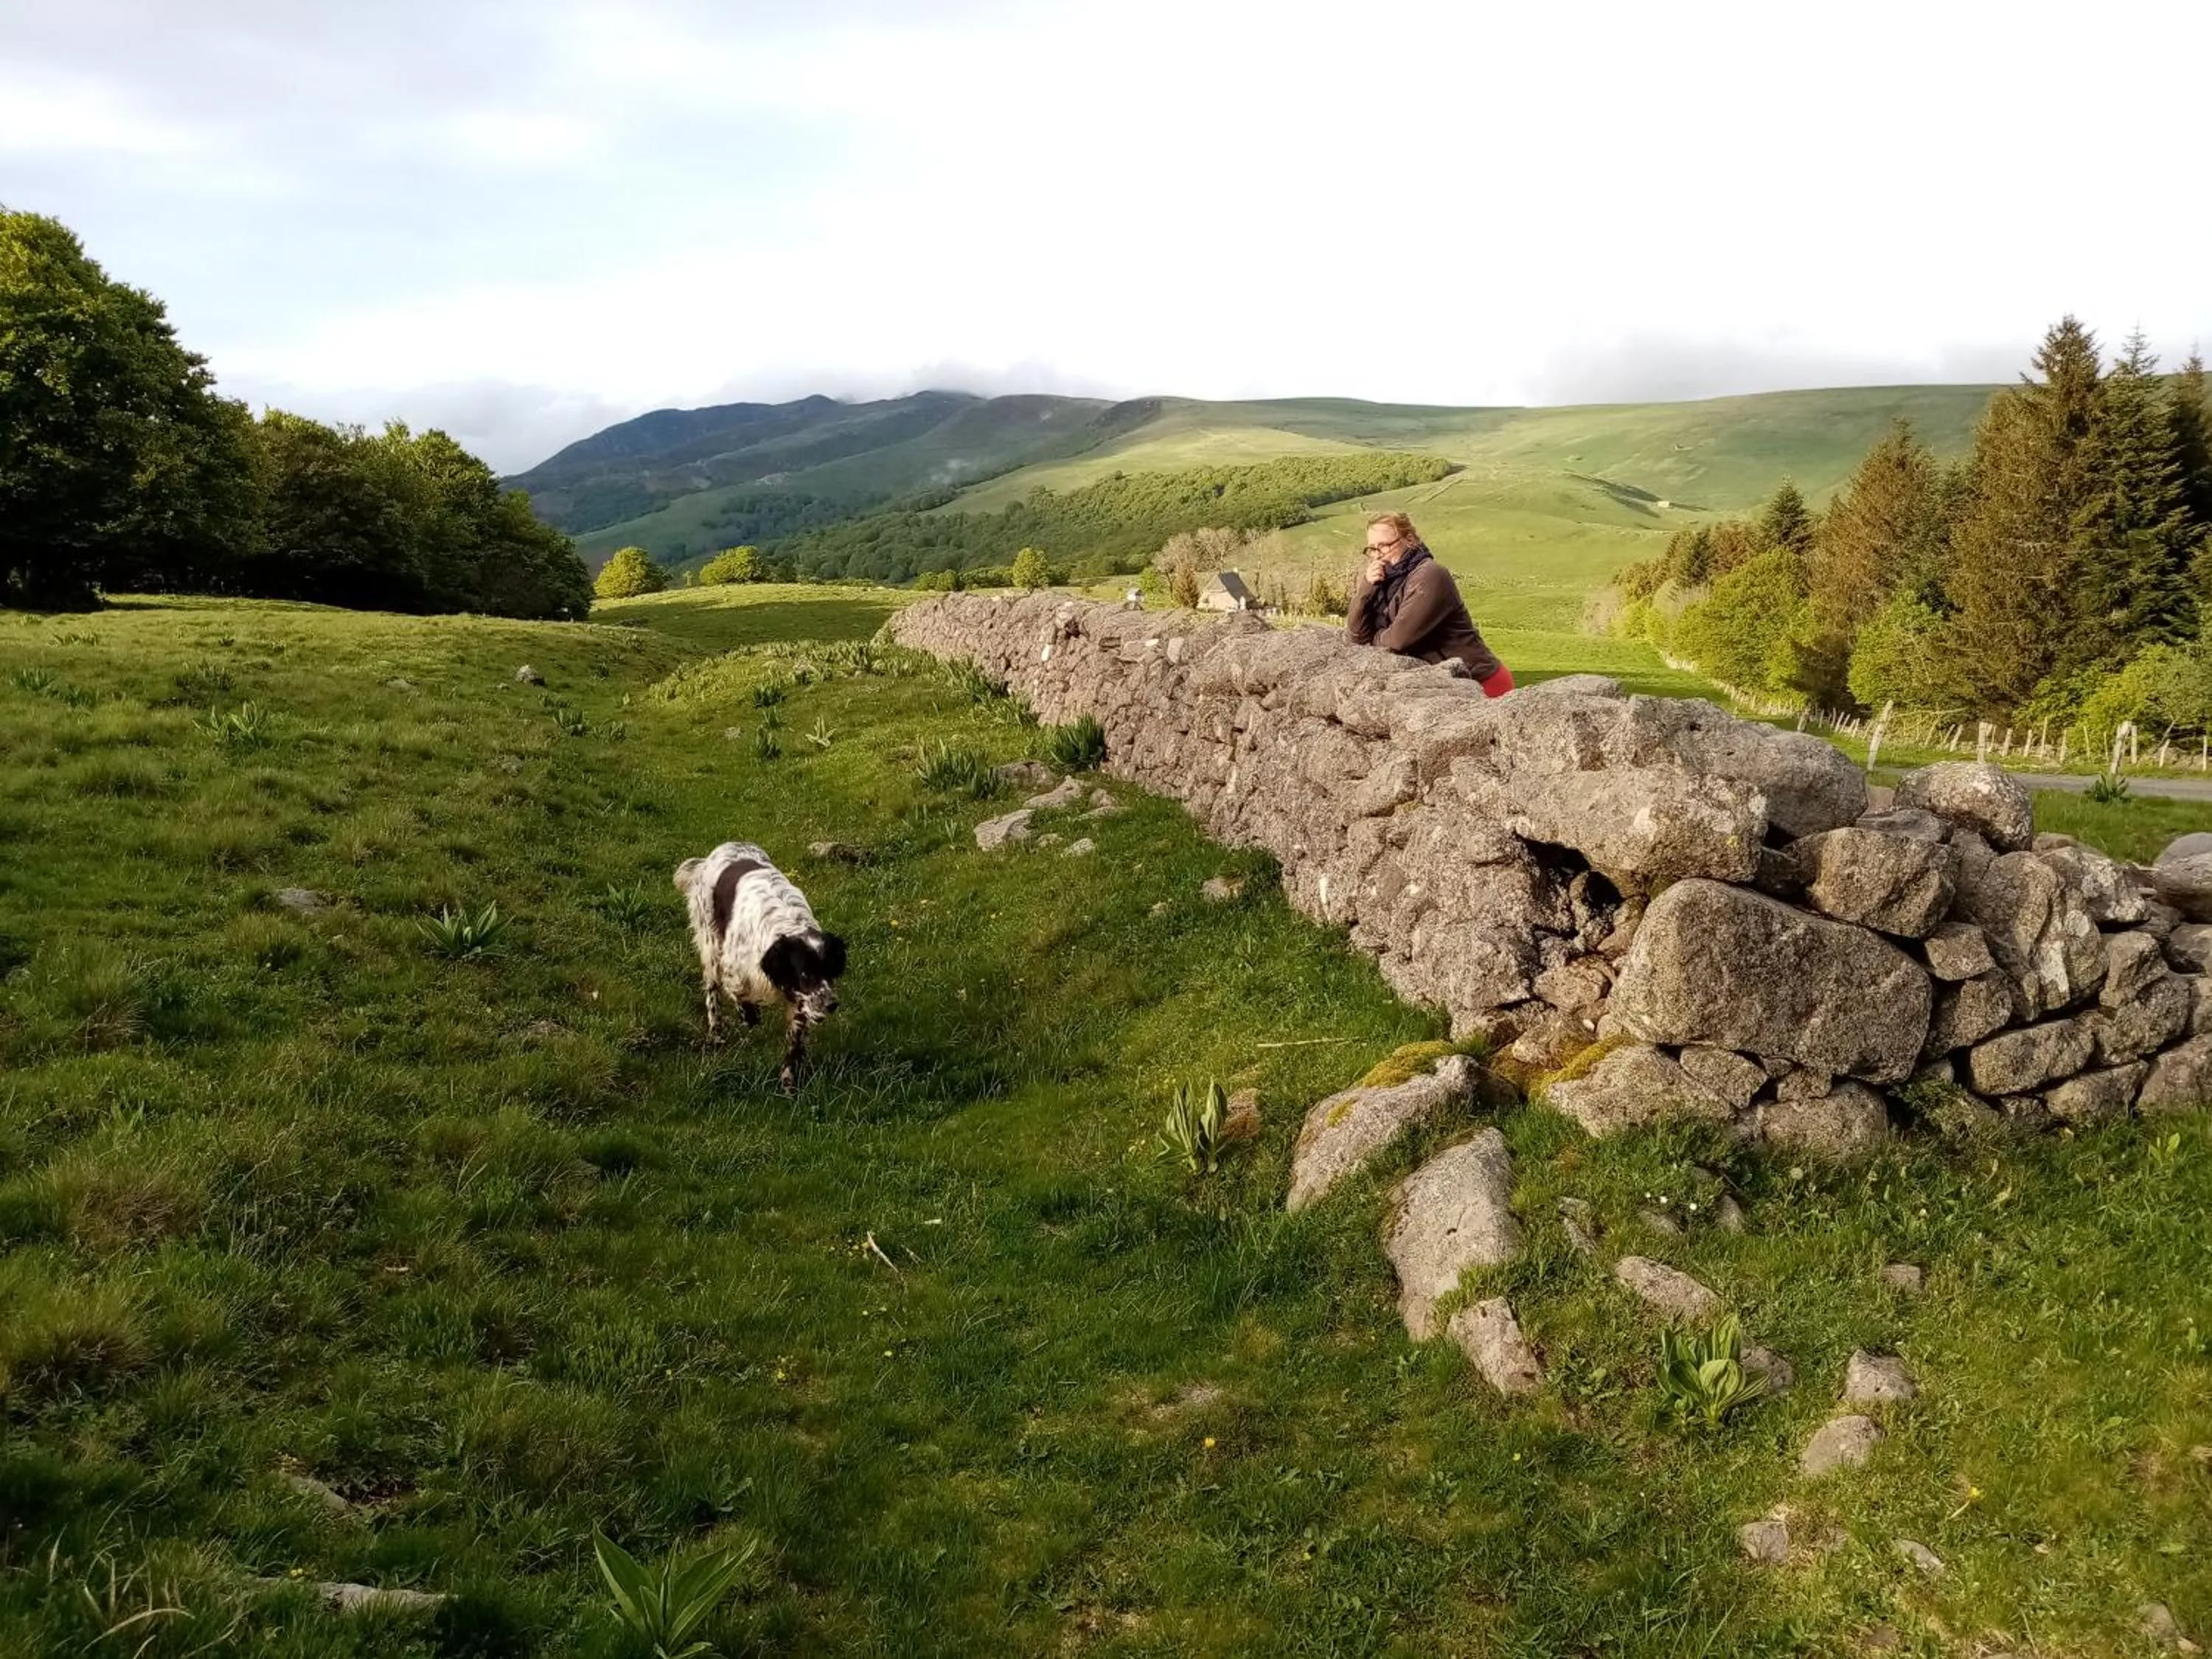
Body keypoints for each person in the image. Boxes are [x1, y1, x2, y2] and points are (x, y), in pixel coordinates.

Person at [1345, 512, 1513, 695]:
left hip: (1481, 683)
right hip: (1446, 685)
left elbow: (1397, 641)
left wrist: (1373, 639)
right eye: (1372, 549)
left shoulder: (1430, 576)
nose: (1378, 556)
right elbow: (1355, 636)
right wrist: (1366, 588)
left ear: (1409, 539)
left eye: (1384, 546)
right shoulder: (1383, 581)